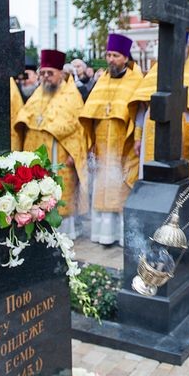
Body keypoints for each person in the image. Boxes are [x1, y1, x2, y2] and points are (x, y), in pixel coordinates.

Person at [13, 49, 88, 236]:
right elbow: (25, 115)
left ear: (60, 73)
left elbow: (78, 128)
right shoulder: (38, 93)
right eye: (43, 73)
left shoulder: (71, 94)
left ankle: (64, 234)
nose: (46, 76)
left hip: (59, 153)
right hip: (35, 150)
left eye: (50, 73)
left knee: (59, 193)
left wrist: (73, 154)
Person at [79, 33, 143, 246]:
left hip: (123, 143)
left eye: (115, 55)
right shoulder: (102, 80)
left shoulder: (136, 80)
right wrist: (90, 141)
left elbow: (138, 113)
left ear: (125, 57)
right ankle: (103, 234)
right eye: (108, 55)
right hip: (102, 142)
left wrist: (137, 138)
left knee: (121, 187)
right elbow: (90, 113)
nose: (111, 59)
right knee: (102, 187)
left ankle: (122, 236)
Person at [129, 38, 189, 177]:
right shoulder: (156, 71)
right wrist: (138, 137)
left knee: (178, 176)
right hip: (152, 127)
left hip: (182, 131)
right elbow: (142, 107)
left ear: (186, 47)